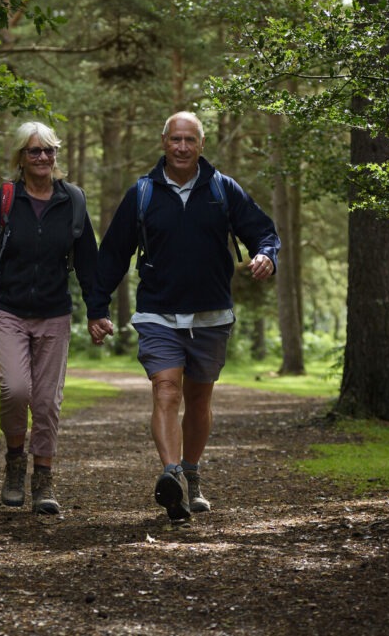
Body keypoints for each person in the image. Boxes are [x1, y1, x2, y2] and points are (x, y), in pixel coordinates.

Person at [86, 111, 280, 522]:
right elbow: (114, 254)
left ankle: (190, 472)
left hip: (211, 315)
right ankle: (171, 475)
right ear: (163, 142)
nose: (182, 147)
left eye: (190, 140)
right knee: (166, 390)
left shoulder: (223, 189)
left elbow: (263, 231)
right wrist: (97, 308)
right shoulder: (143, 193)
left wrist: (266, 255)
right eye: (175, 139)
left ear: (201, 145)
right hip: (158, 313)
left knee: (198, 400)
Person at [0, 121, 99, 515]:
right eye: (34, 151)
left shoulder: (72, 201)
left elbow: (89, 263)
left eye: (49, 151)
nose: (43, 158)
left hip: (54, 312)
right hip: (7, 309)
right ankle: (15, 462)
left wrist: (97, 312)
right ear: (20, 157)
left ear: (57, 155)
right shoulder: (3, 200)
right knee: (16, 390)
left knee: (47, 401)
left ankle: (44, 478)